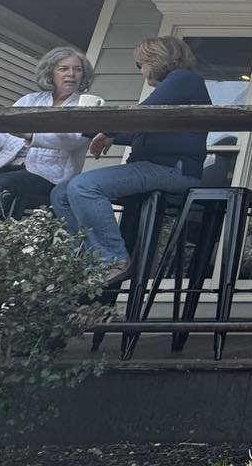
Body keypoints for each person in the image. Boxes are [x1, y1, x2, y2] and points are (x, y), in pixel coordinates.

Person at [51, 36, 210, 287]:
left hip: (174, 169)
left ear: (155, 60)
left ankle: (112, 260)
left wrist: (108, 129)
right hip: (153, 168)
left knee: (84, 186)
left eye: (141, 65)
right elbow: (142, 129)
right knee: (61, 193)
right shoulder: (175, 87)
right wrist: (106, 135)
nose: (142, 72)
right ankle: (87, 260)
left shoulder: (183, 79)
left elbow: (139, 117)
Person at [0, 47, 94, 219]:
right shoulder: (30, 99)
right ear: (50, 73)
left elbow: (74, 141)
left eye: (77, 69)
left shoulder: (87, 104)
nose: (71, 74)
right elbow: (4, 138)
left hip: (47, 175)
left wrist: (29, 135)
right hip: (2, 166)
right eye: (64, 68)